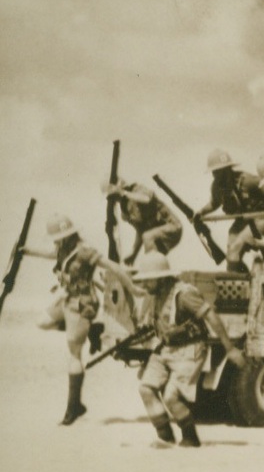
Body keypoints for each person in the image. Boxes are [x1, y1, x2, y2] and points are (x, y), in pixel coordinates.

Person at [24, 215, 137, 425]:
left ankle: (73, 407)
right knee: (42, 321)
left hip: (82, 304)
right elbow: (52, 255)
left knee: (74, 355)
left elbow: (113, 266)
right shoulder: (63, 249)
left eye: (59, 237)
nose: (55, 241)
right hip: (66, 300)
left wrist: (132, 288)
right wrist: (29, 251)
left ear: (68, 236)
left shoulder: (84, 250)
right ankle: (92, 330)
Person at [130, 252, 245, 447]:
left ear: (161, 278)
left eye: (149, 281)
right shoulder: (157, 295)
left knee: (171, 397)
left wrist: (230, 348)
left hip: (190, 350)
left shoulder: (184, 294)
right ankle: (165, 436)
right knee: (146, 388)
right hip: (167, 348)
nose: (146, 285)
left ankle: (190, 437)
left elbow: (211, 317)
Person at [194, 149, 264, 273]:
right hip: (242, 221)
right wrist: (201, 212)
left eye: (222, 171)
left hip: (260, 219)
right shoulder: (217, 187)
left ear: (229, 169)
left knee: (236, 247)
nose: (218, 175)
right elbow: (214, 203)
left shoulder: (248, 180)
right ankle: (241, 280)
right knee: (231, 252)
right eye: (216, 171)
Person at [101, 177, 183, 265]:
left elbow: (146, 199)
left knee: (148, 238)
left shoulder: (137, 189)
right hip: (158, 238)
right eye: (112, 197)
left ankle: (153, 271)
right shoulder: (126, 210)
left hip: (172, 227)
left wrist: (123, 192)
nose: (115, 199)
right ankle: (160, 277)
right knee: (150, 260)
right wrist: (133, 254)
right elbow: (140, 231)